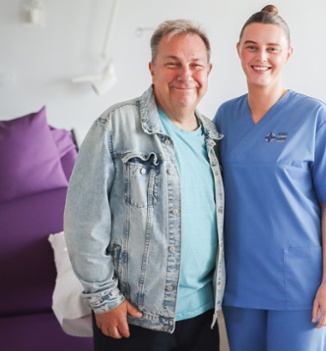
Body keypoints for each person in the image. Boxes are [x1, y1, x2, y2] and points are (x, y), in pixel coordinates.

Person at [64, 19, 224, 351]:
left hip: (204, 316)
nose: (185, 74)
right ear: (152, 69)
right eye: (172, 63)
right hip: (136, 318)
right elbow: (83, 221)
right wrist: (104, 298)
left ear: (208, 71)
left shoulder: (214, 136)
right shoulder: (116, 125)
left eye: (196, 65)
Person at [213, 5, 326, 351]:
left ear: (288, 54)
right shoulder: (225, 117)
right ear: (238, 51)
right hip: (241, 283)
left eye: (272, 49)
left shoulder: (315, 117)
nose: (261, 57)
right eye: (251, 46)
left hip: (301, 283)